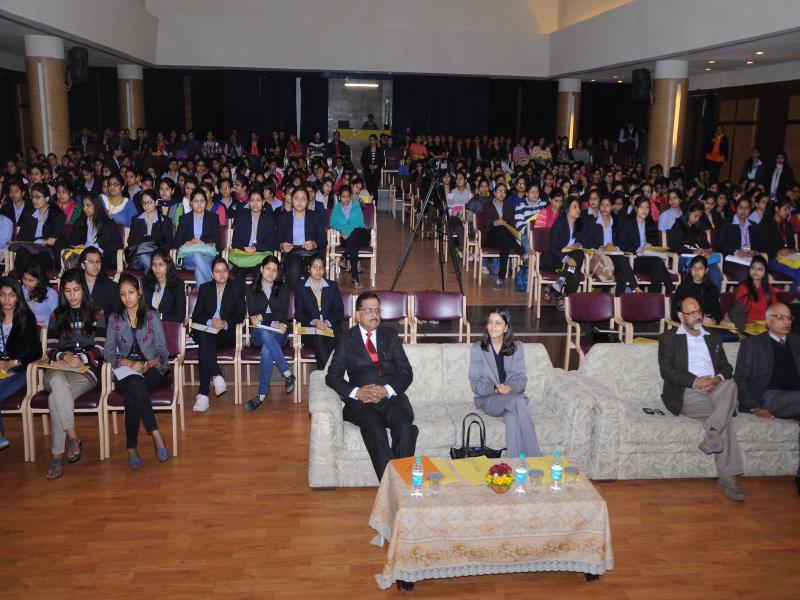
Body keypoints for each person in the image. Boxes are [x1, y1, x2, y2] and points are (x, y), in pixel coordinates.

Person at [658, 296, 745, 501]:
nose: (697, 316)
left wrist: (717, 378)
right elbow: (667, 371)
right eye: (691, 313)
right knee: (726, 418)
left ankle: (713, 432)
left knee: (730, 385)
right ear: (681, 316)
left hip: (717, 390)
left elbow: (727, 367)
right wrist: (695, 381)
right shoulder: (669, 339)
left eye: (698, 311)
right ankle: (728, 477)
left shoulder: (714, 337)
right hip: (687, 393)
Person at [325, 291, 417, 480]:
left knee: (406, 428)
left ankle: (396, 484)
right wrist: (356, 392)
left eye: (377, 310)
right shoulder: (346, 339)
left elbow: (406, 372)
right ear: (358, 314)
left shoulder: (390, 335)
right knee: (375, 430)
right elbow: (332, 376)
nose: (374, 314)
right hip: (363, 403)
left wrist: (387, 390)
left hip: (391, 399)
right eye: (369, 310)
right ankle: (394, 484)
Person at [104, 273, 170, 468]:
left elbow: (163, 352)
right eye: (123, 294)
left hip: (151, 369)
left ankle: (131, 448)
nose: (127, 298)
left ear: (139, 292)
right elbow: (108, 352)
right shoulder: (115, 319)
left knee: (133, 393)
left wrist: (149, 364)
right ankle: (156, 434)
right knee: (134, 383)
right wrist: (127, 362)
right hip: (125, 370)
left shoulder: (151, 316)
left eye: (131, 292)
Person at [734, 302, 800, 494]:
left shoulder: (797, 341)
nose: (786, 322)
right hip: (770, 395)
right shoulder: (752, 344)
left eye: (789, 318)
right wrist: (754, 406)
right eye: (780, 317)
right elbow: (741, 378)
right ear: (768, 321)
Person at [43, 269, 102, 480]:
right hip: (58, 369)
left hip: (85, 372)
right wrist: (65, 356)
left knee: (55, 398)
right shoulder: (56, 315)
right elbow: (50, 348)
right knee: (58, 382)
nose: (72, 295)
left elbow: (101, 348)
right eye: (67, 291)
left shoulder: (97, 313)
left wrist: (82, 359)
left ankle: (57, 456)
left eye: (76, 289)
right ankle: (73, 436)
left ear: (83, 290)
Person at [468, 307, 540, 457]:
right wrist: (495, 388)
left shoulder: (517, 348)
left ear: (506, 327)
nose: (492, 327)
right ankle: (536, 458)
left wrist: (509, 387)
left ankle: (515, 464)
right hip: (490, 400)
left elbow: (521, 379)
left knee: (512, 419)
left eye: (498, 323)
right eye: (490, 322)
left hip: (510, 397)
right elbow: (475, 384)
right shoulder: (478, 349)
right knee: (519, 401)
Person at [190, 257, 245, 412]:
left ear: (229, 272)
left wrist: (225, 323)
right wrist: (210, 321)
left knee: (204, 345)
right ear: (212, 274)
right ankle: (216, 375)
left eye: (225, 270)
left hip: (225, 334)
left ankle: (203, 394)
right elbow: (196, 316)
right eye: (217, 271)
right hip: (208, 331)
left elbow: (240, 315)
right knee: (205, 338)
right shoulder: (205, 288)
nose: (221, 274)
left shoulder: (237, 288)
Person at [243, 255, 296, 411]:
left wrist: (263, 317)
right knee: (265, 334)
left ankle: (261, 395)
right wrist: (271, 321)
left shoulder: (283, 288)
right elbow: (253, 318)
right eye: (268, 269)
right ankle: (287, 372)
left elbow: (282, 314)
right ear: (261, 269)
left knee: (267, 349)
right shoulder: (251, 289)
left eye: (275, 270)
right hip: (258, 334)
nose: (271, 273)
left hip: (280, 332)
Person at [0, 277, 42, 451]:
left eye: (11, 295)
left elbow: (36, 352)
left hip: (19, 371)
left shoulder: (26, 318)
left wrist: (14, 362)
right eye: (2, 295)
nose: (6, 299)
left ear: (18, 297)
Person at [295, 254, 344, 370]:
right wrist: (314, 322)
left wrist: (327, 322)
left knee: (327, 342)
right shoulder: (301, 287)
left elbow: (339, 312)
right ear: (309, 269)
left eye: (321, 267)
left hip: (331, 329)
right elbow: (298, 314)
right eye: (314, 267)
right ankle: (331, 374)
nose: (318, 270)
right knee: (319, 339)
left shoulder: (332, 286)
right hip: (311, 331)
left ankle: (325, 374)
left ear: (324, 270)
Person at [584, 195, 639, 295]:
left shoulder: (617, 223)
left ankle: (616, 301)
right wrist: (603, 247)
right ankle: (635, 287)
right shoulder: (593, 223)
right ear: (599, 206)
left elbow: (622, 243)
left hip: (614, 256)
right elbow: (588, 243)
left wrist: (615, 247)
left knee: (621, 276)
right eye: (602, 205)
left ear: (612, 207)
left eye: (608, 205)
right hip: (600, 256)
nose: (604, 208)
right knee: (622, 259)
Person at [619, 196, 674, 294]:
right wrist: (639, 249)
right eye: (641, 207)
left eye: (647, 207)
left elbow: (655, 245)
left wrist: (651, 247)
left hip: (648, 258)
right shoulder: (628, 224)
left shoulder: (650, 224)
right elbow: (622, 246)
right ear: (636, 208)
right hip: (633, 259)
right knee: (657, 262)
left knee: (656, 273)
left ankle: (654, 299)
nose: (644, 210)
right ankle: (672, 291)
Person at [277, 187, 327, 291]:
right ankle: (294, 298)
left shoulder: (315, 217)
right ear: (291, 200)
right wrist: (282, 245)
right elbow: (275, 241)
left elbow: (323, 240)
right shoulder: (284, 218)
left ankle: (312, 298)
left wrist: (313, 244)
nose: (299, 202)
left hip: (310, 253)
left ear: (307, 201)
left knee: (311, 268)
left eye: (303, 199)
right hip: (291, 252)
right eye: (296, 198)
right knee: (294, 268)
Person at [542, 195, 586, 310]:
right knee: (575, 270)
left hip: (571, 261)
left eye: (579, 207)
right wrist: (566, 258)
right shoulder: (559, 224)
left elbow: (583, 241)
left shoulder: (579, 224)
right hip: (555, 259)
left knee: (579, 255)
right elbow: (552, 248)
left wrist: (578, 245)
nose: (578, 210)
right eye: (574, 207)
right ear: (567, 209)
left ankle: (561, 281)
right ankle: (567, 300)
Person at [13, 182, 66, 276]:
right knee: (22, 255)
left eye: (37, 197)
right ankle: (27, 282)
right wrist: (32, 244)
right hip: (30, 249)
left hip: (48, 252)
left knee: (35, 260)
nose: (34, 200)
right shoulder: (28, 214)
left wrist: (44, 242)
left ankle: (32, 281)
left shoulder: (57, 215)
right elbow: (21, 237)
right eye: (32, 197)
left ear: (47, 198)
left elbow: (55, 239)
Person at [668, 200, 723, 290]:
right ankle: (695, 296)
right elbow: (674, 247)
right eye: (695, 216)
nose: (697, 219)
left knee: (716, 275)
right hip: (685, 259)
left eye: (699, 217)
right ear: (688, 212)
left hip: (701, 258)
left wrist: (708, 250)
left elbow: (706, 244)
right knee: (698, 272)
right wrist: (692, 252)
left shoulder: (699, 227)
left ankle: (714, 298)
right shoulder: (678, 225)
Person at [481, 182, 524, 290]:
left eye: (504, 191)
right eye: (499, 191)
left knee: (505, 241)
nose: (502, 193)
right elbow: (486, 225)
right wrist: (496, 223)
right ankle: (520, 250)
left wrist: (508, 225)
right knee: (501, 228)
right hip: (490, 237)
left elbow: (513, 223)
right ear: (494, 192)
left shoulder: (508, 205)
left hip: (505, 237)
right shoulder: (487, 206)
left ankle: (500, 278)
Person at [173, 189, 220, 287]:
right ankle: (216, 284)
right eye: (196, 201)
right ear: (191, 203)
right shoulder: (184, 219)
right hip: (189, 258)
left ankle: (205, 295)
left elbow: (217, 239)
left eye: (202, 201)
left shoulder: (213, 217)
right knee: (196, 254)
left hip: (208, 256)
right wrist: (189, 242)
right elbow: (176, 241)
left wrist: (200, 241)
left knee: (199, 271)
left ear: (206, 202)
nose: (199, 204)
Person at [67, 193, 122, 272]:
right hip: (83, 255)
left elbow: (118, 243)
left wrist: (102, 250)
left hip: (102, 256)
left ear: (96, 206)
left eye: (88, 205)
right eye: (83, 205)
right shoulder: (79, 223)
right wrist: (79, 246)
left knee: (93, 262)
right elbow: (71, 242)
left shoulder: (108, 224)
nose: (85, 208)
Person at [329, 185, 370, 290]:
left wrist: (348, 232)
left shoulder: (356, 207)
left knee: (356, 232)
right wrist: (342, 230)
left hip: (361, 235)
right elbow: (333, 223)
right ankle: (355, 279)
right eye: (343, 196)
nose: (346, 199)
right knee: (353, 247)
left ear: (350, 197)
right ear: (339, 197)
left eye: (348, 196)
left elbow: (360, 224)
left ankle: (344, 255)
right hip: (346, 238)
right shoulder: (336, 209)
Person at [229, 188, 276, 279]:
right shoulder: (241, 218)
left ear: (263, 202)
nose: (255, 203)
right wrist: (245, 248)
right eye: (252, 200)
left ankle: (256, 289)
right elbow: (234, 242)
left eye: (258, 200)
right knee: (239, 273)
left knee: (259, 273)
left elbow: (270, 244)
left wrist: (255, 248)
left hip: (260, 254)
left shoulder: (269, 220)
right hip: (243, 254)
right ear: (249, 203)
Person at [756, 198, 800, 292]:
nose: (787, 212)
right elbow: (761, 245)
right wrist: (777, 251)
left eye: (788, 209)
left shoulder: (788, 226)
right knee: (797, 274)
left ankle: (791, 296)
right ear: (777, 209)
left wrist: (792, 250)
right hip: (773, 259)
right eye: (785, 209)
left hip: (789, 259)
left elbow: (792, 245)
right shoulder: (766, 223)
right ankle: (792, 297)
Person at [127, 189, 174, 270]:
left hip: (158, 257)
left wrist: (154, 252)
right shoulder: (136, 219)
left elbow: (168, 243)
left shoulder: (166, 221)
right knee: (145, 257)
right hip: (137, 258)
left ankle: (151, 277)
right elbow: (131, 241)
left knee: (150, 260)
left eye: (149, 202)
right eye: (144, 203)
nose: (146, 205)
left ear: (156, 202)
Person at [671, 256, 723, 324]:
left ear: (706, 270)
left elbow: (718, 312)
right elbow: (675, 312)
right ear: (690, 269)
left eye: (700, 268)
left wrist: (713, 320)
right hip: (690, 323)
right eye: (694, 268)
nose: (697, 271)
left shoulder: (712, 288)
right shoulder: (684, 287)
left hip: (707, 323)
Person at [733, 255, 778, 334]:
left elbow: (775, 307)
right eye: (753, 268)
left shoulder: (768, 288)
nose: (755, 271)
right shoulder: (744, 287)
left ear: (765, 272)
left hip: (766, 325)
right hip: (749, 326)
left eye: (760, 269)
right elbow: (739, 311)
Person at [143, 249, 186, 323]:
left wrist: (161, 321)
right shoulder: (146, 283)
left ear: (168, 266)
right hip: (149, 326)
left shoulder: (177, 285)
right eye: (154, 264)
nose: (157, 268)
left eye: (161, 264)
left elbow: (180, 315)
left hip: (168, 326)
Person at [80, 246, 118, 318]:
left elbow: (116, 314)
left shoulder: (111, 287)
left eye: (98, 261)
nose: (95, 265)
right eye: (91, 261)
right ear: (83, 265)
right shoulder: (75, 285)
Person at [21, 262, 59, 327]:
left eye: (30, 280)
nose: (26, 282)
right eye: (24, 279)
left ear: (39, 280)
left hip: (45, 327)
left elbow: (58, 317)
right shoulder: (22, 289)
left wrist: (43, 323)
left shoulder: (50, 293)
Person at [360, 134, 384, 198]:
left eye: (373, 140)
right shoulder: (366, 149)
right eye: (370, 140)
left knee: (375, 189)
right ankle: (368, 203)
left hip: (376, 172)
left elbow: (382, 161)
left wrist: (377, 166)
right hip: (368, 171)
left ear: (376, 141)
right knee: (368, 189)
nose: (371, 141)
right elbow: (362, 160)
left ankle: (375, 203)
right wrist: (368, 165)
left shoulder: (380, 150)